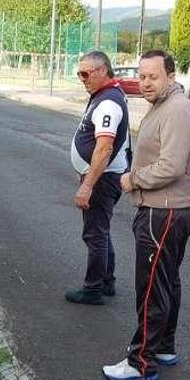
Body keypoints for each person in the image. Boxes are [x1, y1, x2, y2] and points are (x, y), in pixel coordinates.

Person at [102, 50, 190, 380]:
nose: (145, 83)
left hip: (165, 210)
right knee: (166, 281)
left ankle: (141, 360)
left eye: (153, 76)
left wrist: (133, 179)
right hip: (165, 209)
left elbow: (171, 166)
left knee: (151, 287)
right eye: (142, 76)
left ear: (171, 77)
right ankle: (162, 346)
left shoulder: (176, 110)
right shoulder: (164, 105)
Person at [65, 51, 131, 306]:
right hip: (104, 177)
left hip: (103, 179)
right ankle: (106, 281)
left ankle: (93, 289)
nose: (82, 79)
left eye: (86, 73)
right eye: (79, 73)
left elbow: (104, 147)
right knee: (101, 231)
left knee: (95, 234)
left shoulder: (108, 103)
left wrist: (88, 186)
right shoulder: (105, 97)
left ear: (103, 70)